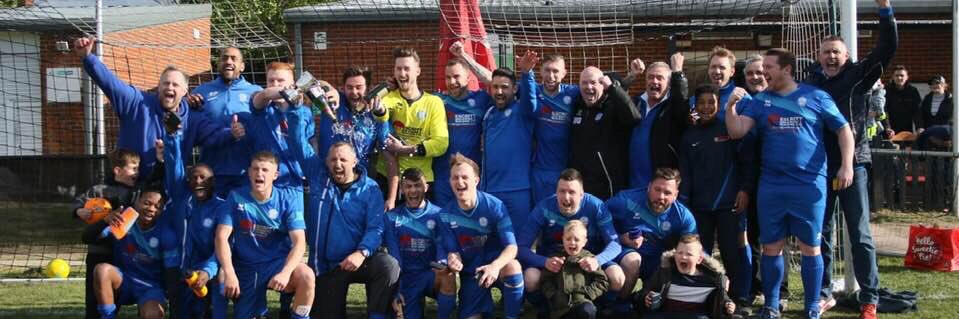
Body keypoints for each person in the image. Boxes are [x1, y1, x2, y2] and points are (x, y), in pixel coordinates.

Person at [726, 48, 855, 319]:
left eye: (769, 68)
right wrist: (730, 107)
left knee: (811, 247)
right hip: (772, 186)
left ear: (786, 69)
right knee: (772, 246)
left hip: (809, 187)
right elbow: (737, 130)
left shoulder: (816, 97)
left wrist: (846, 165)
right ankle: (772, 305)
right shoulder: (761, 101)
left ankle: (811, 306)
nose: (763, 73)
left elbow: (843, 129)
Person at [804, 1, 896, 316]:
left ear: (846, 56)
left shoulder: (859, 77)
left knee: (859, 234)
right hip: (818, 169)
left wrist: (885, 11)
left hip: (853, 164)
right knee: (821, 232)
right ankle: (824, 292)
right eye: (825, 51)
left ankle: (869, 298)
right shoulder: (810, 83)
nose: (830, 56)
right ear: (818, 56)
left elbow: (887, 48)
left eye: (836, 52)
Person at [283, 108, 399, 319]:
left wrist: (362, 252)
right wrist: (297, 108)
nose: (337, 164)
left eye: (343, 160)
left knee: (388, 265)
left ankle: (376, 315)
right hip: (328, 267)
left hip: (359, 260)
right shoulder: (318, 177)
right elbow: (298, 143)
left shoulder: (370, 188)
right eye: (333, 160)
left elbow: (376, 227)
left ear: (354, 162)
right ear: (326, 162)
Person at [74, 37, 237, 180]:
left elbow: (214, 135)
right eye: (166, 83)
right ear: (158, 87)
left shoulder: (193, 118)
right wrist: (89, 58)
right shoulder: (136, 103)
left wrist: (232, 133)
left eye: (175, 84)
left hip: (167, 191)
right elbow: (109, 83)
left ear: (185, 91)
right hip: (129, 186)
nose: (170, 87)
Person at [679, 83, 755, 312]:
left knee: (732, 252)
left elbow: (746, 163)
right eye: (701, 103)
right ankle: (708, 298)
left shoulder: (729, 129)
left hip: (729, 204)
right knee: (702, 256)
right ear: (695, 105)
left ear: (718, 104)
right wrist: (685, 202)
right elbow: (685, 172)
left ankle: (740, 298)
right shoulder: (689, 135)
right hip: (699, 206)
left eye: (710, 102)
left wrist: (745, 189)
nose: (705, 107)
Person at [215, 151, 315, 319]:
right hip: (246, 266)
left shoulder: (287, 199)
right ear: (249, 172)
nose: (259, 173)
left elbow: (299, 242)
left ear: (275, 175)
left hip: (276, 263)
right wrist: (229, 272)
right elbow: (221, 237)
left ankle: (300, 317)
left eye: (265, 170)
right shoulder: (235, 197)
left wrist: (285, 272)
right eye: (255, 169)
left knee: (306, 276)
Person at [517, 168, 621, 318]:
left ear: (581, 194)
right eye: (561, 191)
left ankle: (599, 307)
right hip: (554, 262)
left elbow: (615, 244)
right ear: (556, 191)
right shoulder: (544, 208)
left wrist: (597, 260)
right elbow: (521, 247)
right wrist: (544, 261)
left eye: (572, 192)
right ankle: (546, 309)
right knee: (530, 278)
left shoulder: (596, 206)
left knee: (617, 277)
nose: (566, 197)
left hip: (588, 258)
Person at [438, 153, 525, 319]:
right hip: (472, 275)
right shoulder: (445, 215)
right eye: (455, 178)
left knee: (513, 266)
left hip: (496, 267)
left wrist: (495, 266)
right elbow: (453, 251)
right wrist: (453, 259)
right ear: (450, 181)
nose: (460, 182)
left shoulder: (494, 206)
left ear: (476, 181)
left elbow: (512, 247)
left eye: (465, 177)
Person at [605, 167, 698, 315]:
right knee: (632, 260)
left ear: (676, 195)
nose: (661, 196)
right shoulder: (626, 201)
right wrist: (621, 238)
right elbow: (599, 220)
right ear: (649, 187)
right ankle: (616, 306)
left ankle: (639, 300)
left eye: (667, 193)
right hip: (625, 253)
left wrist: (714, 274)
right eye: (657, 189)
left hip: (657, 262)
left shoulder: (683, 217)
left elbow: (693, 248)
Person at [159, 126, 229, 318]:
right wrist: (172, 136)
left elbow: (223, 247)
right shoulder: (182, 199)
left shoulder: (223, 208)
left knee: (207, 310)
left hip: (209, 272)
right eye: (193, 178)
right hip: (180, 271)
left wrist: (207, 271)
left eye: (203, 177)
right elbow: (174, 165)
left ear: (213, 182)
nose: (198, 181)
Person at [84, 187, 177, 319]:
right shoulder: (124, 220)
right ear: (136, 201)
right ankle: (107, 316)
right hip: (124, 281)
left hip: (150, 287)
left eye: (158, 207)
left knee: (153, 314)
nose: (151, 209)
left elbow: (171, 271)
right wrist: (106, 221)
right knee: (101, 270)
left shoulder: (166, 233)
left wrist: (168, 298)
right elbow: (87, 237)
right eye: (147, 203)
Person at [72, 149, 141, 319]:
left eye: (138, 168)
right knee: (94, 300)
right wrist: (78, 211)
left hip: (126, 253)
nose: (137, 172)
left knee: (115, 297)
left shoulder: (137, 192)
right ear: (117, 170)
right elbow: (78, 203)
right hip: (100, 253)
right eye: (133, 168)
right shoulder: (99, 190)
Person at [376, 47, 449, 206]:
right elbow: (380, 112)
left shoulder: (433, 102)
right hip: (388, 179)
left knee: (421, 230)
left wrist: (405, 149)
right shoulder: (389, 98)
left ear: (418, 71)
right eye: (398, 69)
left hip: (421, 179)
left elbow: (441, 144)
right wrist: (380, 109)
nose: (402, 74)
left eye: (406, 68)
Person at [190, 47, 263, 197]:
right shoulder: (201, 92)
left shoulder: (256, 93)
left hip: (245, 173)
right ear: (218, 64)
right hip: (211, 173)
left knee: (242, 219)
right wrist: (186, 104)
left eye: (233, 58)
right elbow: (190, 126)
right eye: (224, 58)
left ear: (242, 66)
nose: (228, 61)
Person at [384, 168, 457, 319]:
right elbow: (394, 256)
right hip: (406, 279)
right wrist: (396, 289)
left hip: (429, 275)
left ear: (426, 187)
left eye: (417, 185)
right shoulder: (391, 218)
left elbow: (441, 248)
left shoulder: (439, 215)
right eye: (408, 186)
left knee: (448, 276)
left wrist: (442, 264)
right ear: (402, 189)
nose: (413, 190)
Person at [567, 66, 641, 200]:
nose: (588, 87)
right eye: (584, 83)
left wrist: (614, 89)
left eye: (593, 82)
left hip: (609, 186)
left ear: (603, 85)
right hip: (581, 184)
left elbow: (634, 118)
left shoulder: (612, 107)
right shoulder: (577, 106)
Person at [433, 48, 491, 208]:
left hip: (471, 178)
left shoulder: (481, 99)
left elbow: (494, 80)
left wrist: (464, 56)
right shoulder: (437, 101)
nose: (452, 82)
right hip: (443, 178)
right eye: (448, 77)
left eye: (456, 76)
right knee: (445, 223)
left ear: (468, 76)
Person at [635, 234, 737, 319]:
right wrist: (646, 297)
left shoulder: (711, 280)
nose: (683, 257)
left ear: (699, 259)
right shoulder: (665, 273)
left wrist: (728, 304)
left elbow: (721, 299)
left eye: (689, 254)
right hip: (666, 314)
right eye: (679, 253)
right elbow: (646, 289)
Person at [249, 62, 316, 188]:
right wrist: (281, 92)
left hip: (295, 180)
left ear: (292, 84)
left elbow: (311, 141)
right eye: (271, 81)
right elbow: (263, 96)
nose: (275, 85)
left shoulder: (304, 112)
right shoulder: (262, 106)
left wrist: (311, 169)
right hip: (265, 180)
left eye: (280, 81)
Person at [629, 53, 690, 189]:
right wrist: (632, 75)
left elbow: (684, 108)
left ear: (669, 83)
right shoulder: (635, 103)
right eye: (650, 77)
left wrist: (678, 72)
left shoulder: (673, 107)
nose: (654, 81)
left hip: (661, 188)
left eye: (659, 78)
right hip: (632, 186)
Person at [315, 65, 389, 173]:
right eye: (349, 87)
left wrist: (381, 112)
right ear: (343, 88)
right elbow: (309, 83)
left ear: (367, 88)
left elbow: (385, 141)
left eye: (359, 87)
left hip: (360, 177)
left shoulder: (374, 113)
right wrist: (329, 88)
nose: (354, 92)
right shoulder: (333, 103)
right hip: (328, 174)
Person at [540, 220, 610, 319]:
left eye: (576, 240)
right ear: (563, 239)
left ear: (584, 242)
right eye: (568, 239)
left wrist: (588, 294)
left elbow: (602, 281)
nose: (572, 243)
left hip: (583, 302)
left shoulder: (589, 259)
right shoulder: (556, 259)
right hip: (561, 306)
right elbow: (545, 280)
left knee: (588, 311)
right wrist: (553, 295)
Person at [689, 47, 752, 122]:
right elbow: (693, 125)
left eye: (722, 67)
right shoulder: (695, 99)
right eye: (713, 67)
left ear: (732, 71)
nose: (717, 71)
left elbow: (749, 132)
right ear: (708, 70)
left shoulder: (743, 99)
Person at [884, 65, 921, 133]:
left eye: (902, 75)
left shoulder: (912, 91)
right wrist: (887, 127)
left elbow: (917, 111)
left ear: (907, 77)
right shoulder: (886, 91)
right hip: (890, 130)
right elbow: (884, 111)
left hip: (907, 130)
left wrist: (919, 127)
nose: (899, 78)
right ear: (893, 77)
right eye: (897, 75)